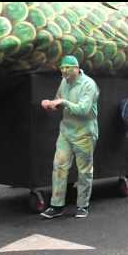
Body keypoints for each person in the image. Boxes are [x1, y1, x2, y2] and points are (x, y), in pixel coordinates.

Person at [40, 55, 100, 219]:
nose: (64, 71)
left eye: (67, 68)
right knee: (59, 166)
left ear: (76, 68)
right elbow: (59, 100)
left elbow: (83, 110)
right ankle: (56, 205)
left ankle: (82, 205)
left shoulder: (89, 84)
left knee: (84, 170)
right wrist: (51, 104)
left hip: (84, 133)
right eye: (62, 68)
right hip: (66, 131)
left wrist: (64, 102)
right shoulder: (64, 82)